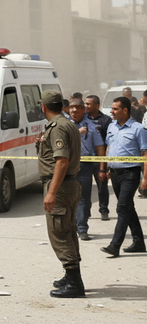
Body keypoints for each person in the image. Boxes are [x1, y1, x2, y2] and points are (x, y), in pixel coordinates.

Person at [36, 90, 83, 298]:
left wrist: (51, 192)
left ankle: (74, 282)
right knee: (69, 231)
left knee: (60, 234)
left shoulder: (57, 127)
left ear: (44, 107)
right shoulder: (69, 124)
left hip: (61, 186)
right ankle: (71, 275)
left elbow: (62, 161)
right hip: (69, 184)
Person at [99, 97, 147, 257]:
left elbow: (145, 154)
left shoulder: (138, 129)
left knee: (122, 208)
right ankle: (139, 241)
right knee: (128, 207)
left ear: (125, 110)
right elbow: (108, 148)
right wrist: (106, 167)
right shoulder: (112, 127)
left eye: (115, 109)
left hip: (130, 173)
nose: (111, 111)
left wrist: (145, 178)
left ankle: (115, 245)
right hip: (115, 173)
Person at [68, 98, 105, 241]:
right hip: (68, 165)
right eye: (71, 108)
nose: (74, 110)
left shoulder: (92, 126)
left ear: (84, 110)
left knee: (84, 198)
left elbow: (100, 147)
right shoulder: (65, 125)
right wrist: (77, 132)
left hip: (85, 166)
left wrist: (102, 168)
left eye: (77, 108)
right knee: (69, 198)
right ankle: (73, 225)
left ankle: (82, 228)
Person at [85, 94, 113, 220]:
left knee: (102, 186)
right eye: (85, 104)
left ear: (97, 105)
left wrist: (106, 162)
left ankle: (104, 210)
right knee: (85, 188)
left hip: (100, 159)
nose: (86, 106)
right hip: (85, 158)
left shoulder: (106, 120)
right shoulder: (83, 119)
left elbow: (108, 142)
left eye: (89, 104)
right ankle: (86, 211)